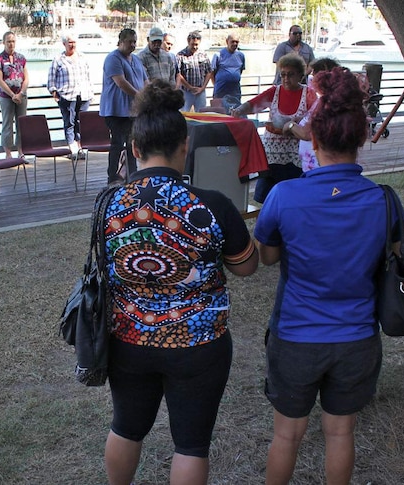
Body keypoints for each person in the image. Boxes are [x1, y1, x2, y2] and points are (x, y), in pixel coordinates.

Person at [102, 79, 259, 485]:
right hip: (199, 344)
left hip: (127, 339)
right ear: (185, 146)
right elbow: (246, 267)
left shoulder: (107, 204)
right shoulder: (212, 204)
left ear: (135, 149)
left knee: (125, 427)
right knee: (190, 444)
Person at [254, 67, 398, 485]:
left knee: (287, 435)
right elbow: (392, 258)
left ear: (313, 141)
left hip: (296, 335)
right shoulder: (383, 201)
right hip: (357, 337)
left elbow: (266, 257)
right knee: (340, 432)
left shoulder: (284, 195)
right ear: (360, 139)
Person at [230, 53, 316, 204]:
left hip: (295, 156)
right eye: (282, 74)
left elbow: (313, 117)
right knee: (267, 198)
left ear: (300, 76)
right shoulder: (274, 91)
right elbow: (254, 104)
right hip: (272, 155)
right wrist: (239, 110)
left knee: (292, 197)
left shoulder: (308, 94)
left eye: (290, 74)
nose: (286, 79)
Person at [100, 28, 147, 185]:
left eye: (135, 42)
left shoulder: (136, 60)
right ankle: (112, 176)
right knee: (118, 143)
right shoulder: (113, 59)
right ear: (120, 42)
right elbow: (121, 82)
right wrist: (140, 95)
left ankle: (132, 175)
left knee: (133, 144)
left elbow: (145, 81)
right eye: (129, 42)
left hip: (134, 111)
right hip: (115, 111)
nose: (133, 45)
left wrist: (151, 95)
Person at [284, 57, 341, 172]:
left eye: (313, 76)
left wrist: (290, 125)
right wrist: (300, 119)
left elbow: (307, 133)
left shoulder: (328, 102)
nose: (311, 80)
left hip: (318, 167)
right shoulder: (324, 100)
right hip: (313, 163)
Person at [47, 33, 94, 156]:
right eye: (70, 42)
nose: (72, 45)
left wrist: (91, 92)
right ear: (64, 44)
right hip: (66, 96)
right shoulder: (58, 60)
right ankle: (72, 148)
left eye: (74, 42)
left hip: (83, 95)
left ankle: (80, 147)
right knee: (69, 122)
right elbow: (51, 79)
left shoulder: (83, 57)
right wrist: (54, 92)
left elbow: (88, 76)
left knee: (81, 122)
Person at [0, 31, 29, 157]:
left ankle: (21, 152)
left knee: (22, 123)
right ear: (4, 42)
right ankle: (8, 153)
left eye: (13, 41)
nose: (11, 44)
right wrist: (12, 95)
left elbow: (26, 78)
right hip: (6, 97)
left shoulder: (21, 58)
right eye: (8, 41)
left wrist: (21, 93)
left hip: (21, 95)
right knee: (7, 123)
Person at [176, 31, 213, 112]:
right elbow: (178, 74)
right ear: (188, 42)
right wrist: (190, 87)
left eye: (197, 45)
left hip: (201, 92)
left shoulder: (203, 54)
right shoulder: (180, 55)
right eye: (193, 44)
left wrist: (203, 87)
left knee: (202, 115)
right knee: (184, 114)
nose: (195, 47)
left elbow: (209, 72)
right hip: (186, 92)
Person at [210, 33, 245, 100]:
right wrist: (216, 85)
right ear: (227, 41)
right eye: (232, 42)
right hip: (220, 91)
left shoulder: (241, 56)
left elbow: (240, 71)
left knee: (235, 110)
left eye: (236, 42)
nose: (235, 44)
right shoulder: (218, 55)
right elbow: (212, 73)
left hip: (235, 92)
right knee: (219, 110)